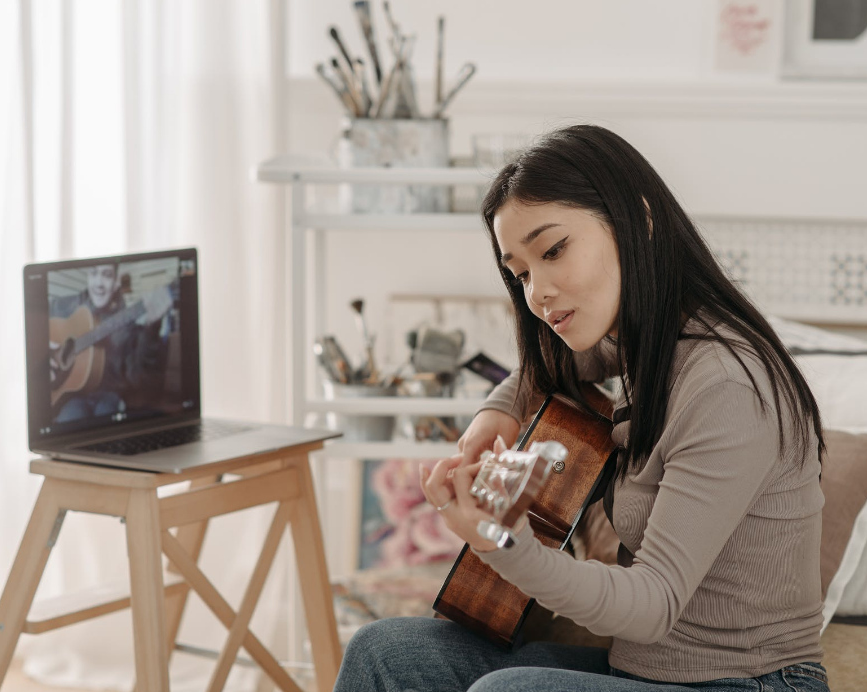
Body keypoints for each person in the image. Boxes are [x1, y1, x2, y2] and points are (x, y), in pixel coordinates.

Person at [333, 125, 831, 692]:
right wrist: (496, 414)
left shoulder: (726, 385)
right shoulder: (647, 342)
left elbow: (653, 605)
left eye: (553, 251)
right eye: (520, 273)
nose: (537, 292)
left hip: (752, 684)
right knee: (384, 653)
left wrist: (502, 540)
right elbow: (550, 371)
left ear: (637, 220)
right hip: (643, 674)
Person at [48, 263, 173, 423]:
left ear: (116, 282)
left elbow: (140, 379)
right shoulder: (63, 307)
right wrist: (42, 355)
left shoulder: (128, 324)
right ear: (87, 277)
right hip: (72, 398)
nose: (99, 283)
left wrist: (151, 330)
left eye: (106, 275)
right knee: (69, 421)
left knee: (107, 420)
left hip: (110, 398)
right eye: (93, 273)